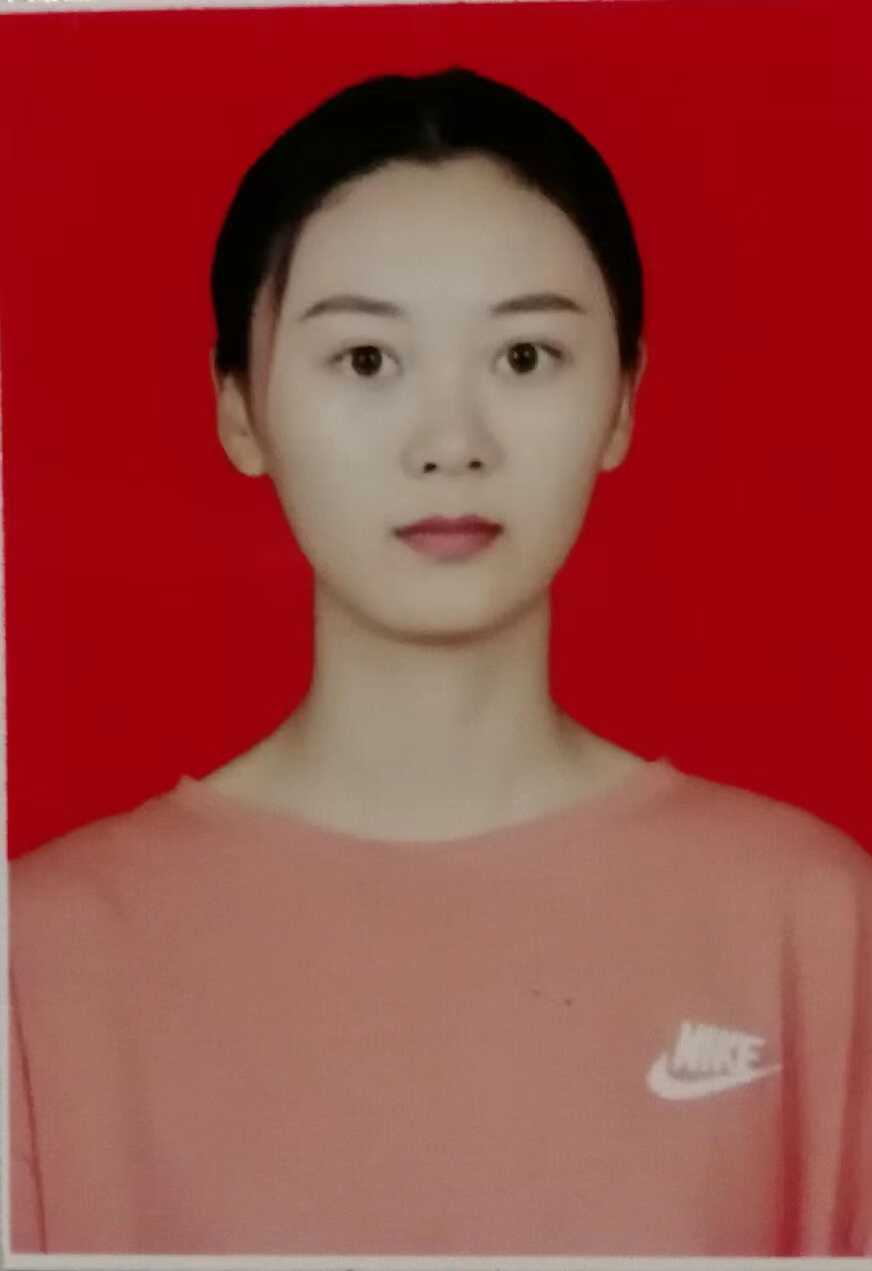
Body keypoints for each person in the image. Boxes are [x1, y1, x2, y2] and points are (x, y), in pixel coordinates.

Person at [8, 67, 871, 1257]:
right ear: (238, 407)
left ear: (623, 399)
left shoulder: (810, 922)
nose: (450, 443)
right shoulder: (40, 955)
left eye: (524, 357)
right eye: (366, 360)